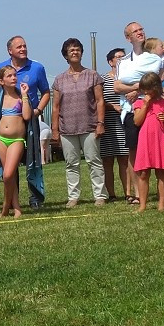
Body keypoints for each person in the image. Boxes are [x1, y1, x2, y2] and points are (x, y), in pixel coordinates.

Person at [0, 36, 50, 208]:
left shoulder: (37, 68)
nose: (23, 49)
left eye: (25, 46)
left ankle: (35, 197)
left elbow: (46, 92)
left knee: (33, 160)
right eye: (19, 47)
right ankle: (12, 201)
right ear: (10, 50)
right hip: (8, 123)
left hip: (29, 119)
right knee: (9, 167)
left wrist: (38, 110)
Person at [50, 38, 106, 208]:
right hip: (67, 128)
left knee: (94, 161)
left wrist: (100, 123)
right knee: (71, 164)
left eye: (77, 49)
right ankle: (73, 197)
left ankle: (100, 195)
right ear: (66, 55)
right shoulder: (59, 79)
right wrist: (55, 129)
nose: (75, 52)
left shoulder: (93, 75)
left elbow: (100, 101)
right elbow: (56, 106)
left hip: (90, 126)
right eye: (71, 50)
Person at [115, 22, 163, 203]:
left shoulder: (155, 59)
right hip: (129, 110)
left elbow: (157, 82)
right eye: (135, 31)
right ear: (128, 38)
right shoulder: (123, 62)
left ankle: (161, 191)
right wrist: (136, 86)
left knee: (155, 149)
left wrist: (138, 91)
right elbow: (117, 86)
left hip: (152, 108)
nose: (140, 33)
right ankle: (137, 193)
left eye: (141, 29)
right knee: (133, 150)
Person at [0, 66, 32, 219]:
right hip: (1, 139)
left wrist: (25, 95)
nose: (14, 78)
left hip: (17, 139)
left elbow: (27, 116)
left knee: (8, 175)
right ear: (1, 81)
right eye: (10, 76)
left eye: (15, 75)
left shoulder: (20, 97)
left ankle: (5, 206)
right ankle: (16, 207)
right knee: (9, 175)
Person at [132, 72, 164, 212]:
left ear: (156, 87)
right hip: (145, 140)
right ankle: (142, 205)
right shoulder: (139, 102)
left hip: (161, 139)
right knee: (143, 173)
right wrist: (145, 105)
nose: (145, 92)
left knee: (161, 172)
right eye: (143, 89)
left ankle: (162, 204)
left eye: (148, 88)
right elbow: (137, 122)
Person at [99, 48, 130, 201]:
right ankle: (111, 194)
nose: (121, 60)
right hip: (109, 122)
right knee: (108, 160)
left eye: (123, 57)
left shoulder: (129, 77)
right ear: (110, 61)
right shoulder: (103, 79)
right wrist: (113, 106)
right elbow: (98, 100)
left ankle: (128, 193)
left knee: (125, 159)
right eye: (118, 57)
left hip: (126, 122)